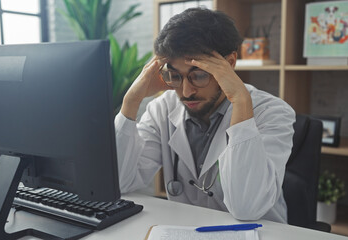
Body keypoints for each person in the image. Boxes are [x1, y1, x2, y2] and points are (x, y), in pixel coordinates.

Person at [115, 7, 295, 223]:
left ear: (229, 64)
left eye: (199, 75)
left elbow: (247, 208)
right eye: (175, 76)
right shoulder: (162, 109)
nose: (186, 91)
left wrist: (240, 100)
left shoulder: (272, 113)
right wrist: (131, 101)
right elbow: (120, 183)